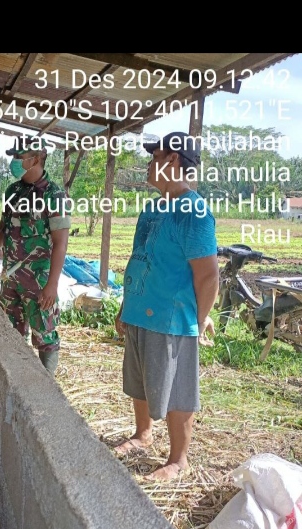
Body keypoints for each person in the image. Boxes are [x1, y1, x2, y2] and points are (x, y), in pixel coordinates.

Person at [113, 131, 219, 481]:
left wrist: (198, 320)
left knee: (177, 388)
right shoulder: (153, 208)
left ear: (172, 160)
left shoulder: (194, 212)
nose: (149, 163)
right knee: (140, 377)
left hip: (172, 318)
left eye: (154, 156)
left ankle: (178, 459)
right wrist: (125, 306)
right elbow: (138, 260)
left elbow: (208, 277)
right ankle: (143, 434)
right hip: (140, 309)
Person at [0, 138, 70, 375]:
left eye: (18, 157)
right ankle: (16, 377)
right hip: (11, 278)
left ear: (35, 159)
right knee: (11, 330)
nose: (13, 161)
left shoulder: (54, 195)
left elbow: (60, 242)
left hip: (39, 281)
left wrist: (52, 284)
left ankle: (47, 385)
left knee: (44, 333)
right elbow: (4, 228)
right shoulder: (13, 191)